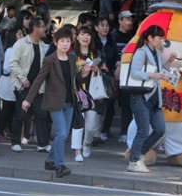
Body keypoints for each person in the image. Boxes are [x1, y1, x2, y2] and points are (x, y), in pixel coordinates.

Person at [22, 27, 79, 178]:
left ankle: (50, 160)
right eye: (62, 41)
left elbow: (74, 79)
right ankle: (59, 165)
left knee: (64, 134)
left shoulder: (72, 58)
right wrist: (28, 99)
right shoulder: (50, 60)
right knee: (61, 133)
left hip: (70, 101)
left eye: (68, 41)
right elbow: (38, 80)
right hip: (54, 102)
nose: (65, 44)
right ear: (55, 42)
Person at [127, 25, 175, 173]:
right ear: (150, 38)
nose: (161, 41)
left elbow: (159, 71)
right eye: (159, 38)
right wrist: (152, 75)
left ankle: (138, 154)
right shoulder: (141, 52)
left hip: (153, 97)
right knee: (142, 130)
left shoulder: (156, 52)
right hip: (140, 96)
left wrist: (169, 62)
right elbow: (134, 73)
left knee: (160, 129)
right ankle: (134, 161)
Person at [8, 17, 50, 153]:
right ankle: (15, 141)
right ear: (35, 28)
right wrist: (23, 78)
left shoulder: (43, 46)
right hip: (22, 85)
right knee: (20, 114)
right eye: (43, 26)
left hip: (38, 86)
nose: (45, 29)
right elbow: (12, 63)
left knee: (41, 113)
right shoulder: (21, 44)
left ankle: (43, 143)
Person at [73, 26, 107, 160]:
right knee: (78, 124)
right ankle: (77, 150)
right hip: (77, 93)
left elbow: (106, 72)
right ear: (77, 37)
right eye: (82, 34)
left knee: (91, 126)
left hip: (92, 93)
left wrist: (97, 69)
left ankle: (87, 143)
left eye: (88, 34)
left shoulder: (97, 53)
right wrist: (79, 70)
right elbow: (67, 73)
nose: (85, 37)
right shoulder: (72, 54)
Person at [0, 31, 22, 143]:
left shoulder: (16, 50)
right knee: (7, 108)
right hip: (8, 82)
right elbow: (7, 67)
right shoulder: (11, 50)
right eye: (19, 34)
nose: (21, 37)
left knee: (10, 108)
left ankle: (6, 131)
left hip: (11, 81)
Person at [94, 16, 118, 141]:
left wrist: (118, 66)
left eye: (107, 26)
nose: (105, 28)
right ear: (96, 27)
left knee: (107, 105)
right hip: (94, 76)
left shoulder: (111, 40)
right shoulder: (92, 40)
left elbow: (115, 58)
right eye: (102, 25)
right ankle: (94, 133)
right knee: (96, 104)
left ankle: (101, 131)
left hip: (107, 77)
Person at [113, 10, 135, 143]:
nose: (129, 22)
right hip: (115, 72)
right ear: (120, 21)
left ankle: (124, 131)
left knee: (127, 103)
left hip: (127, 74)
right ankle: (103, 131)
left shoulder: (132, 38)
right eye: (127, 19)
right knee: (111, 103)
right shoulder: (113, 37)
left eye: (131, 20)